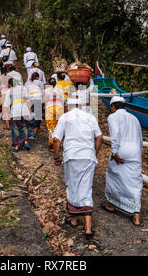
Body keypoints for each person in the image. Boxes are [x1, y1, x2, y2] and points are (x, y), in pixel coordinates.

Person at [53, 97, 103, 239]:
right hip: (88, 156)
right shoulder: (90, 117)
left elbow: (56, 139)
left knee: (72, 185)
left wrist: (56, 156)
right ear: (81, 105)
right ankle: (87, 227)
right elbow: (99, 137)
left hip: (72, 156)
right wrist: (94, 152)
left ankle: (74, 219)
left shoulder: (65, 117)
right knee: (86, 188)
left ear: (68, 106)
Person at [103, 96, 143, 226]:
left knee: (114, 176)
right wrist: (139, 153)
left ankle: (111, 204)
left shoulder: (113, 117)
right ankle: (136, 214)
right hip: (135, 151)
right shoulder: (134, 118)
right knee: (135, 181)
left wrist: (115, 152)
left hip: (122, 149)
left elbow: (115, 135)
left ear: (113, 107)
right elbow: (140, 138)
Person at [4, 78, 32, 153]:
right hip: (24, 110)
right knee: (25, 126)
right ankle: (26, 141)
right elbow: (28, 100)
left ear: (10, 84)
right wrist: (30, 111)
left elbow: (7, 104)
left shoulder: (9, 91)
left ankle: (16, 146)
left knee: (15, 128)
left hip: (15, 111)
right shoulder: (23, 88)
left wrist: (8, 114)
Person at [44, 77, 65, 151]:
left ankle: (51, 145)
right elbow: (63, 100)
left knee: (50, 126)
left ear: (49, 83)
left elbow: (44, 101)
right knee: (58, 126)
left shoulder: (46, 90)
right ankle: (58, 144)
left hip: (50, 108)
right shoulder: (60, 89)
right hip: (59, 108)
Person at [25, 72, 44, 139]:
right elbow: (42, 92)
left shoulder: (27, 84)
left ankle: (32, 130)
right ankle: (36, 128)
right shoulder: (38, 83)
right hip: (38, 98)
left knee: (32, 113)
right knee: (38, 114)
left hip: (31, 98)